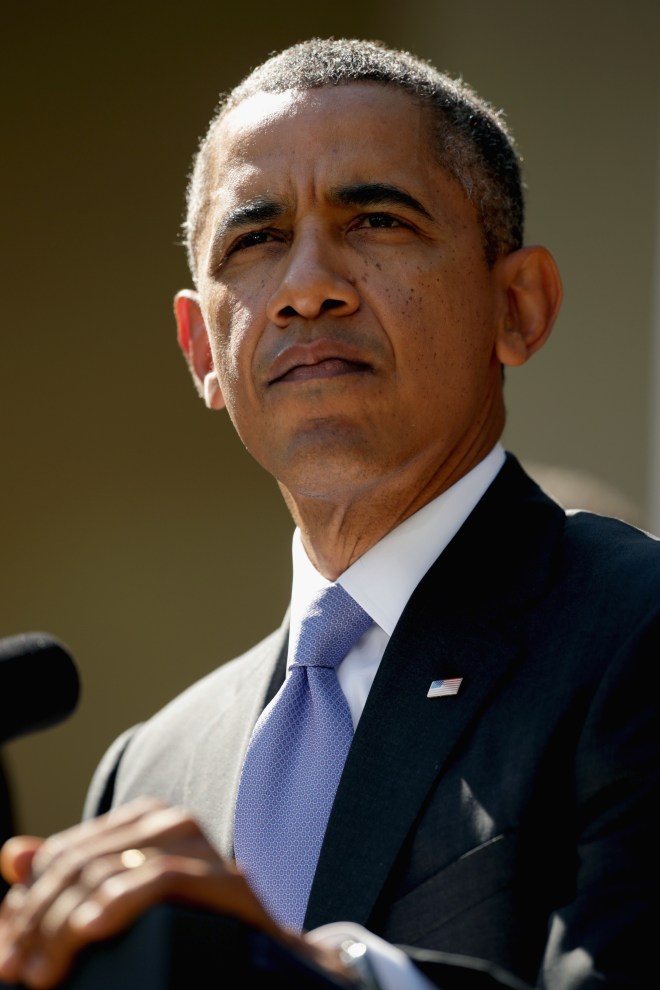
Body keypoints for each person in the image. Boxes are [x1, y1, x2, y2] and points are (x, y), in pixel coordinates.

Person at [0, 36, 658, 990]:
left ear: (517, 305)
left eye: (378, 220)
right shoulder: (147, 771)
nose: (308, 287)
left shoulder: (633, 634)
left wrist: (322, 974)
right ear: (201, 350)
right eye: (255, 241)